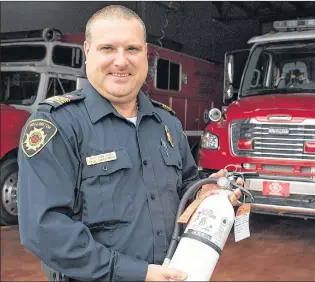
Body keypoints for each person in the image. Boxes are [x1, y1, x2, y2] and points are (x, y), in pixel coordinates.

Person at [17, 4, 242, 282]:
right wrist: (138, 274)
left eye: (132, 49)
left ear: (145, 54)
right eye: (108, 48)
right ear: (88, 51)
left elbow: (185, 186)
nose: (121, 61)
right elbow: (44, 229)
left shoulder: (166, 123)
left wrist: (206, 194)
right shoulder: (58, 125)